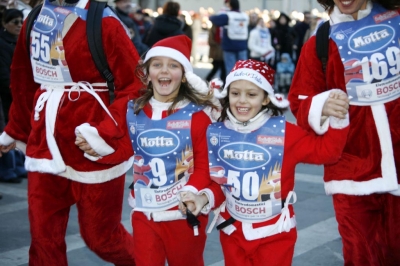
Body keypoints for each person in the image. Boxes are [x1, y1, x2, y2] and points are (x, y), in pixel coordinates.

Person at [0, 0, 142, 264]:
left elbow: (135, 85)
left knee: (101, 237)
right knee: (43, 239)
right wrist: (16, 130)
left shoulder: (104, 20)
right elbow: (22, 76)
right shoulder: (36, 19)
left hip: (91, 144)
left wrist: (106, 133)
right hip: (45, 142)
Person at [180, 59, 350, 266]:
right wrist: (201, 199)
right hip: (233, 232)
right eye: (235, 93)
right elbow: (220, 185)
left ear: (266, 99)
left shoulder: (285, 132)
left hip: (275, 234)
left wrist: (337, 118)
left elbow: (328, 153)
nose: (242, 101)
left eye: (251, 94)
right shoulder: (218, 133)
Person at [288, 0, 400, 265]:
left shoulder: (395, 22)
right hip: (351, 170)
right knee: (361, 255)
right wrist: (321, 105)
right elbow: (300, 99)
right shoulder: (321, 41)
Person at [126, 34, 218, 266]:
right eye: (157, 65)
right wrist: (95, 142)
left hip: (183, 212)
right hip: (144, 210)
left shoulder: (196, 116)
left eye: (173, 65)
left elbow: (206, 165)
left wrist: (191, 191)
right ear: (147, 74)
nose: (164, 71)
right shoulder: (134, 111)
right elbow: (119, 147)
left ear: (185, 76)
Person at [0, 9, 27, 183]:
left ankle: (18, 164)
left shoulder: (20, 41)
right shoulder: (2, 44)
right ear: (4, 23)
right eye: (14, 22)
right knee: (7, 131)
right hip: (8, 95)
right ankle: (7, 168)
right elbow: (3, 75)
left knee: (19, 130)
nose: (18, 25)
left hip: (19, 93)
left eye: (20, 22)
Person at [209, 0, 249, 75]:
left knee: (231, 70)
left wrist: (210, 15)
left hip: (230, 45)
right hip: (242, 45)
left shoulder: (229, 16)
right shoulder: (245, 16)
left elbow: (214, 19)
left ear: (230, 5)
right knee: (243, 69)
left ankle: (232, 86)